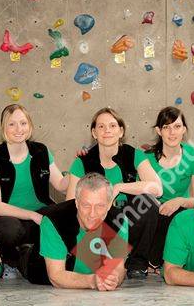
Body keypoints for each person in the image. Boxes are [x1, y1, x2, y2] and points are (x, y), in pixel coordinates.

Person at [66, 107, 162, 278]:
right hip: (99, 223)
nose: (107, 130)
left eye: (112, 125)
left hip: (128, 219)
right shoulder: (82, 162)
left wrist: (118, 187)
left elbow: (157, 188)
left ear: (121, 131)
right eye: (101, 127)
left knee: (149, 202)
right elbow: (70, 204)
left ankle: (137, 263)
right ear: (94, 133)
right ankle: (104, 260)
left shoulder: (134, 154)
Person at [0, 104, 68, 274]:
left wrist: (78, 167)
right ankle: (10, 260)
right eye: (12, 124)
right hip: (8, 220)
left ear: (30, 125)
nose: (19, 129)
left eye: (23, 123)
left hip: (40, 214)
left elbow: (61, 185)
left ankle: (36, 255)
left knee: (65, 216)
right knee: (8, 230)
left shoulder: (41, 151)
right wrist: (32, 215)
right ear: (3, 128)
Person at [34, 173, 128, 290]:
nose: (92, 214)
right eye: (86, 205)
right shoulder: (54, 220)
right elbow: (56, 276)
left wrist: (113, 279)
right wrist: (92, 281)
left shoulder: (119, 221)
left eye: (99, 206)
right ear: (77, 203)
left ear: (109, 205)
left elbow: (118, 268)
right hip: (37, 267)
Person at [144, 107, 194, 272]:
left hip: (181, 210)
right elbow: (141, 195)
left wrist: (179, 201)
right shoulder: (147, 158)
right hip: (153, 212)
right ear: (159, 131)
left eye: (177, 126)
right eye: (166, 127)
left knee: (178, 216)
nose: (172, 132)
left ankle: (156, 261)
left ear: (184, 129)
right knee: (146, 209)